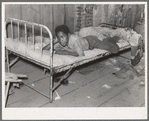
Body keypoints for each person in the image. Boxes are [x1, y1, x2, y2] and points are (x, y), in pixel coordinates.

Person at [43, 25, 120, 56]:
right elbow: (44, 50)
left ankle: (112, 37)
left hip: (92, 42)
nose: (61, 40)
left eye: (62, 37)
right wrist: (54, 41)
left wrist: (64, 52)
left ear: (68, 35)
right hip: (84, 39)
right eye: (58, 38)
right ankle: (110, 38)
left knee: (115, 49)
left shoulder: (74, 40)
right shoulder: (60, 42)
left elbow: (80, 55)